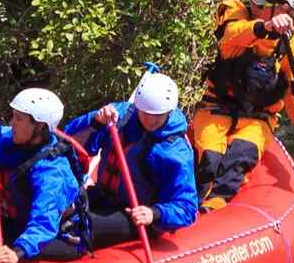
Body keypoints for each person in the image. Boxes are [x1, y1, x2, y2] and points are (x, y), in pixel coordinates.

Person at [189, 0, 294, 207]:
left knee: (239, 158)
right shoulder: (234, 12)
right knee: (210, 159)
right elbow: (231, 35)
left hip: (257, 118)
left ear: (283, 8)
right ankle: (191, 207)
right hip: (214, 109)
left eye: (260, 5)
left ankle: (215, 208)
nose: (253, 8)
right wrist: (266, 26)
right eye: (253, 2)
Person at [64, 67, 198, 244]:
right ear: (137, 107)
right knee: (53, 207)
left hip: (137, 216)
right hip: (100, 197)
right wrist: (95, 122)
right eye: (145, 113)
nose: (150, 121)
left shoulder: (175, 151)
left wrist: (155, 214)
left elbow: (187, 208)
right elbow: (70, 144)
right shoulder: (119, 115)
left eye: (157, 116)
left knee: (80, 226)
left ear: (170, 112)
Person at [0, 87, 86, 263]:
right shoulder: (13, 140)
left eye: (18, 118)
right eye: (13, 116)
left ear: (39, 126)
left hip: (58, 237)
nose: (11, 123)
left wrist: (19, 251)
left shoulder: (53, 172)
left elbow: (44, 222)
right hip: (20, 224)